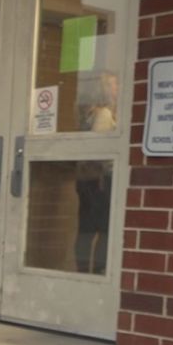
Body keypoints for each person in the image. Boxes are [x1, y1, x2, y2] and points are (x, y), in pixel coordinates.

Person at [74, 71, 119, 274]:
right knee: (105, 230)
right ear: (105, 90)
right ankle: (99, 271)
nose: (117, 89)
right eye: (113, 85)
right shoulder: (104, 114)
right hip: (100, 180)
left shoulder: (88, 114)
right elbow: (100, 150)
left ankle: (83, 269)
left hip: (85, 179)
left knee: (86, 229)